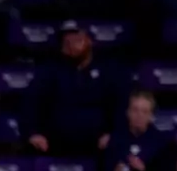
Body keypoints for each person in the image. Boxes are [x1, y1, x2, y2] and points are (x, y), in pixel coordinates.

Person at [25, 21, 127, 157]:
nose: (72, 46)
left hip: (99, 142)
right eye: (67, 42)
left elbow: (122, 103)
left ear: (90, 41)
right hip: (56, 143)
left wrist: (114, 134)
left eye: (77, 40)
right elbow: (31, 102)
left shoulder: (109, 70)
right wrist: (33, 133)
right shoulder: (50, 70)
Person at [103, 90, 173, 171]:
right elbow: (105, 170)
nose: (139, 115)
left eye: (144, 112)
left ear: (151, 116)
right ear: (128, 112)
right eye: (135, 110)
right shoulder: (116, 138)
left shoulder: (161, 141)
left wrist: (144, 170)